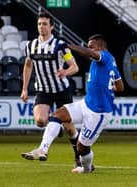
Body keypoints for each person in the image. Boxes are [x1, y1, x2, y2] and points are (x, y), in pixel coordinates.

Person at [35, 34, 124, 173]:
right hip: (85, 104)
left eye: (91, 47)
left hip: (99, 113)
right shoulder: (110, 61)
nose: (89, 50)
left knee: (82, 148)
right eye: (88, 47)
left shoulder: (104, 56)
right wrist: (108, 87)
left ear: (100, 47)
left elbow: (89, 53)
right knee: (56, 115)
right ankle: (42, 149)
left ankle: (87, 169)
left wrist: (68, 45)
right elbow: (120, 87)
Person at [20, 13, 81, 166]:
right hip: (43, 90)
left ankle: (78, 156)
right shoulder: (30, 46)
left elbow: (75, 67)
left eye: (45, 24)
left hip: (61, 90)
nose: (41, 26)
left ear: (52, 26)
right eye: (39, 23)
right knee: (40, 121)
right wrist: (24, 89)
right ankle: (55, 126)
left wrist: (65, 72)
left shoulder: (60, 45)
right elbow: (28, 65)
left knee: (69, 129)